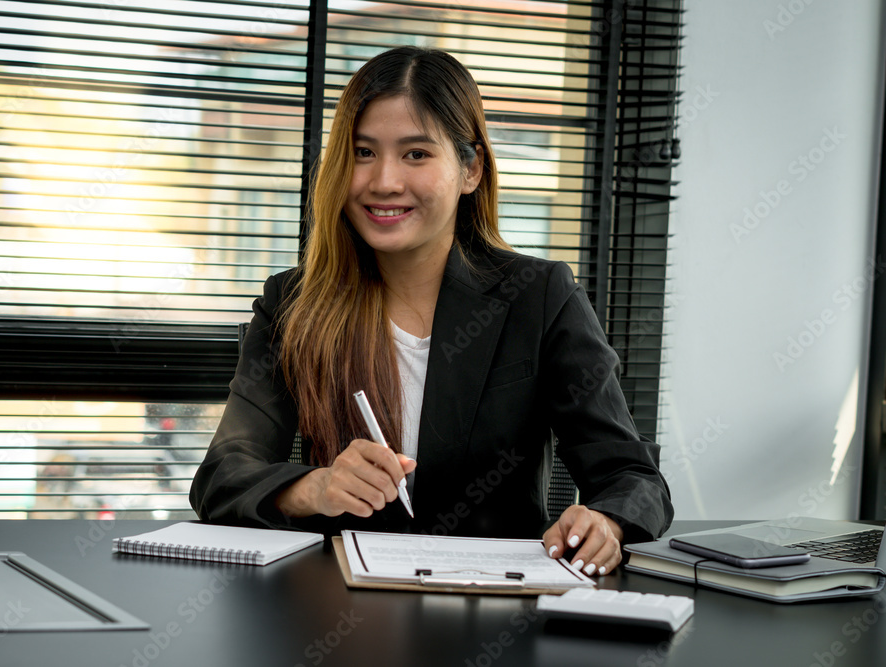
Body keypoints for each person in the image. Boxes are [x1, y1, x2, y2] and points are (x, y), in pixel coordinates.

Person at [190, 46, 672, 576]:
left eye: (416, 154)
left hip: (493, 615)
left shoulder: (539, 296)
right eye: (362, 152)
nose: (384, 182)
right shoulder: (294, 303)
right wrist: (314, 487)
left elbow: (633, 477)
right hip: (335, 614)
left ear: (470, 170)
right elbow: (222, 477)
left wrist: (606, 521)